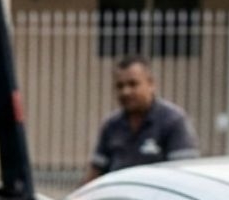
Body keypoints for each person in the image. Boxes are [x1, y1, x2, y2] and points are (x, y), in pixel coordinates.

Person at [82, 53, 199, 182]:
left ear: (151, 84)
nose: (125, 92)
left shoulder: (173, 121)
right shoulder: (111, 125)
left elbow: (185, 175)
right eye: (120, 86)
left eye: (133, 84)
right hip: (118, 198)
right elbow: (95, 171)